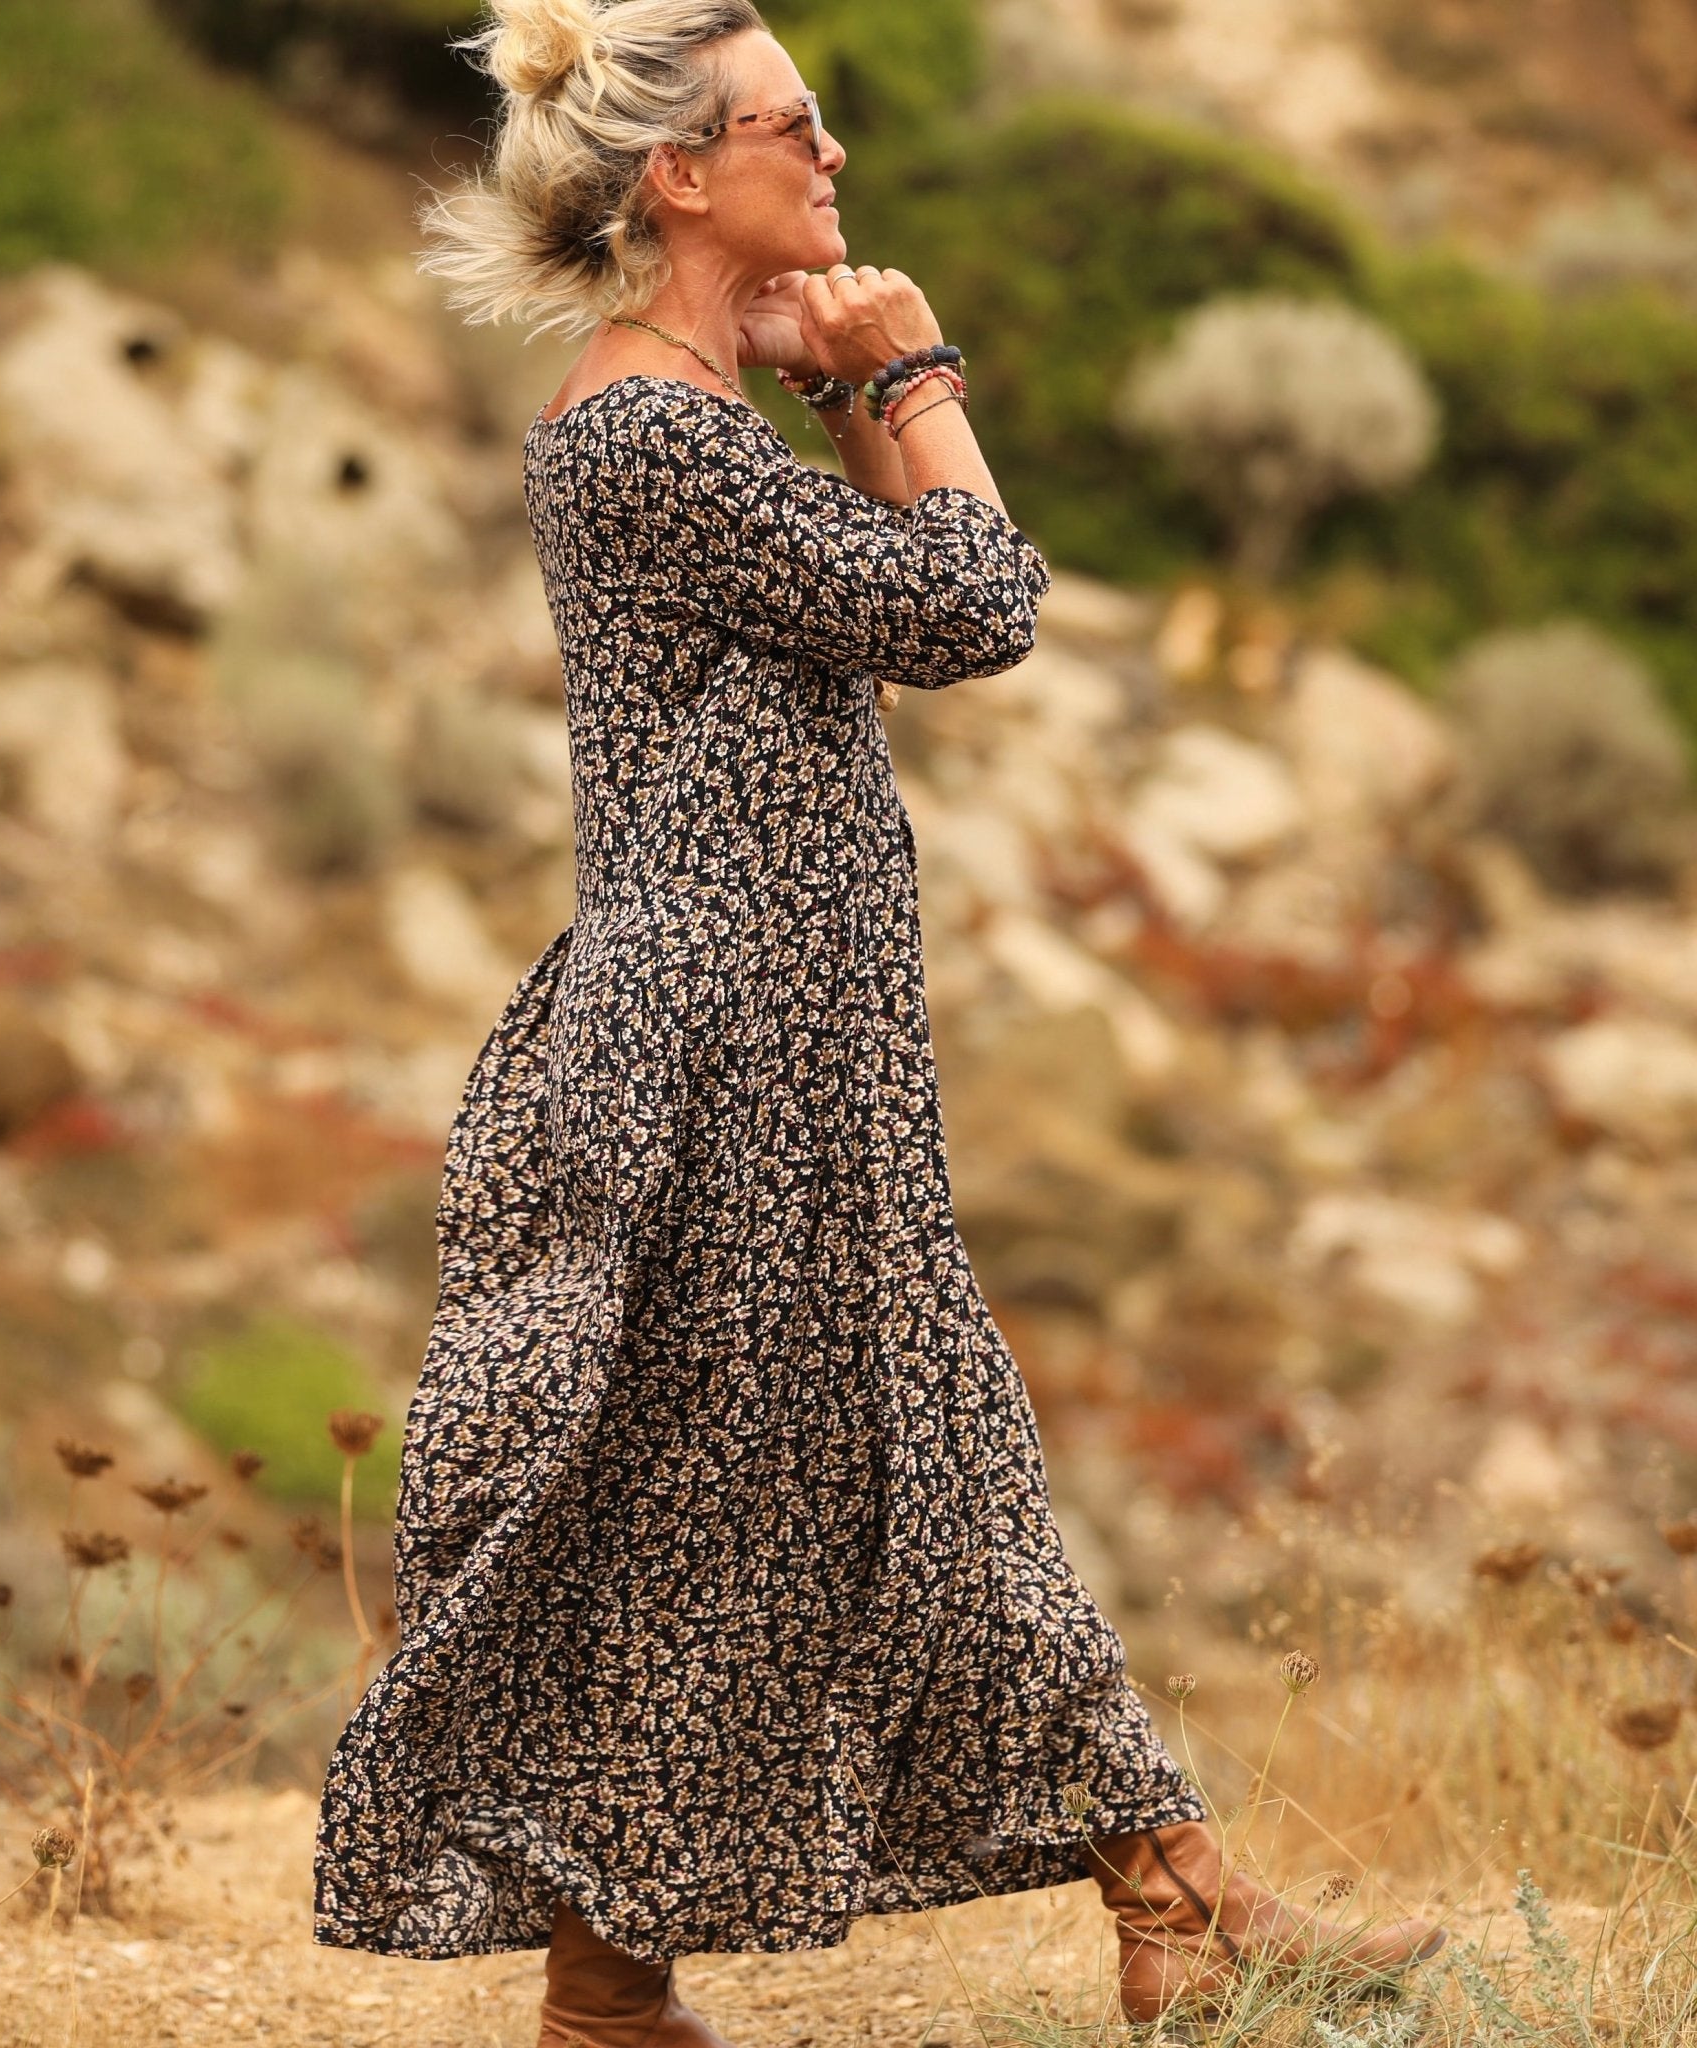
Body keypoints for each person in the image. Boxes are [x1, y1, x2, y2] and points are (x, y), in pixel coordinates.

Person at [311, 2, 1450, 2038]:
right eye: (793, 128)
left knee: (738, 1473)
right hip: (729, 1041)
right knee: (862, 1452)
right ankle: (1167, 1899)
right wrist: (912, 372)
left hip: (771, 1027)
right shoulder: (653, 434)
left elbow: (900, 607)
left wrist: (839, 394)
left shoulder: (682, 417)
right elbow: (976, 602)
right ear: (681, 176)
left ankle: (636, 1991)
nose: (831, 158)